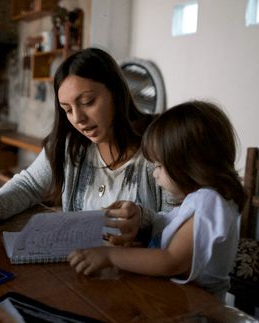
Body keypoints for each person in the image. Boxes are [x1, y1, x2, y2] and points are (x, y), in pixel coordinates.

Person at [0, 47, 167, 246]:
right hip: (79, 267)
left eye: (87, 102)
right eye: (67, 109)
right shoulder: (70, 144)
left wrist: (143, 219)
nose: (78, 119)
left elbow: (184, 219)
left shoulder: (160, 146)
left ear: (116, 93)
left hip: (139, 271)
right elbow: (30, 185)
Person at [68, 100, 245, 300]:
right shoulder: (198, 200)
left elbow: (171, 261)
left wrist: (109, 256)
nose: (155, 174)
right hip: (179, 298)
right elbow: (166, 229)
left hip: (199, 306)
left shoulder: (209, 202)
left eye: (159, 166)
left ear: (189, 165)